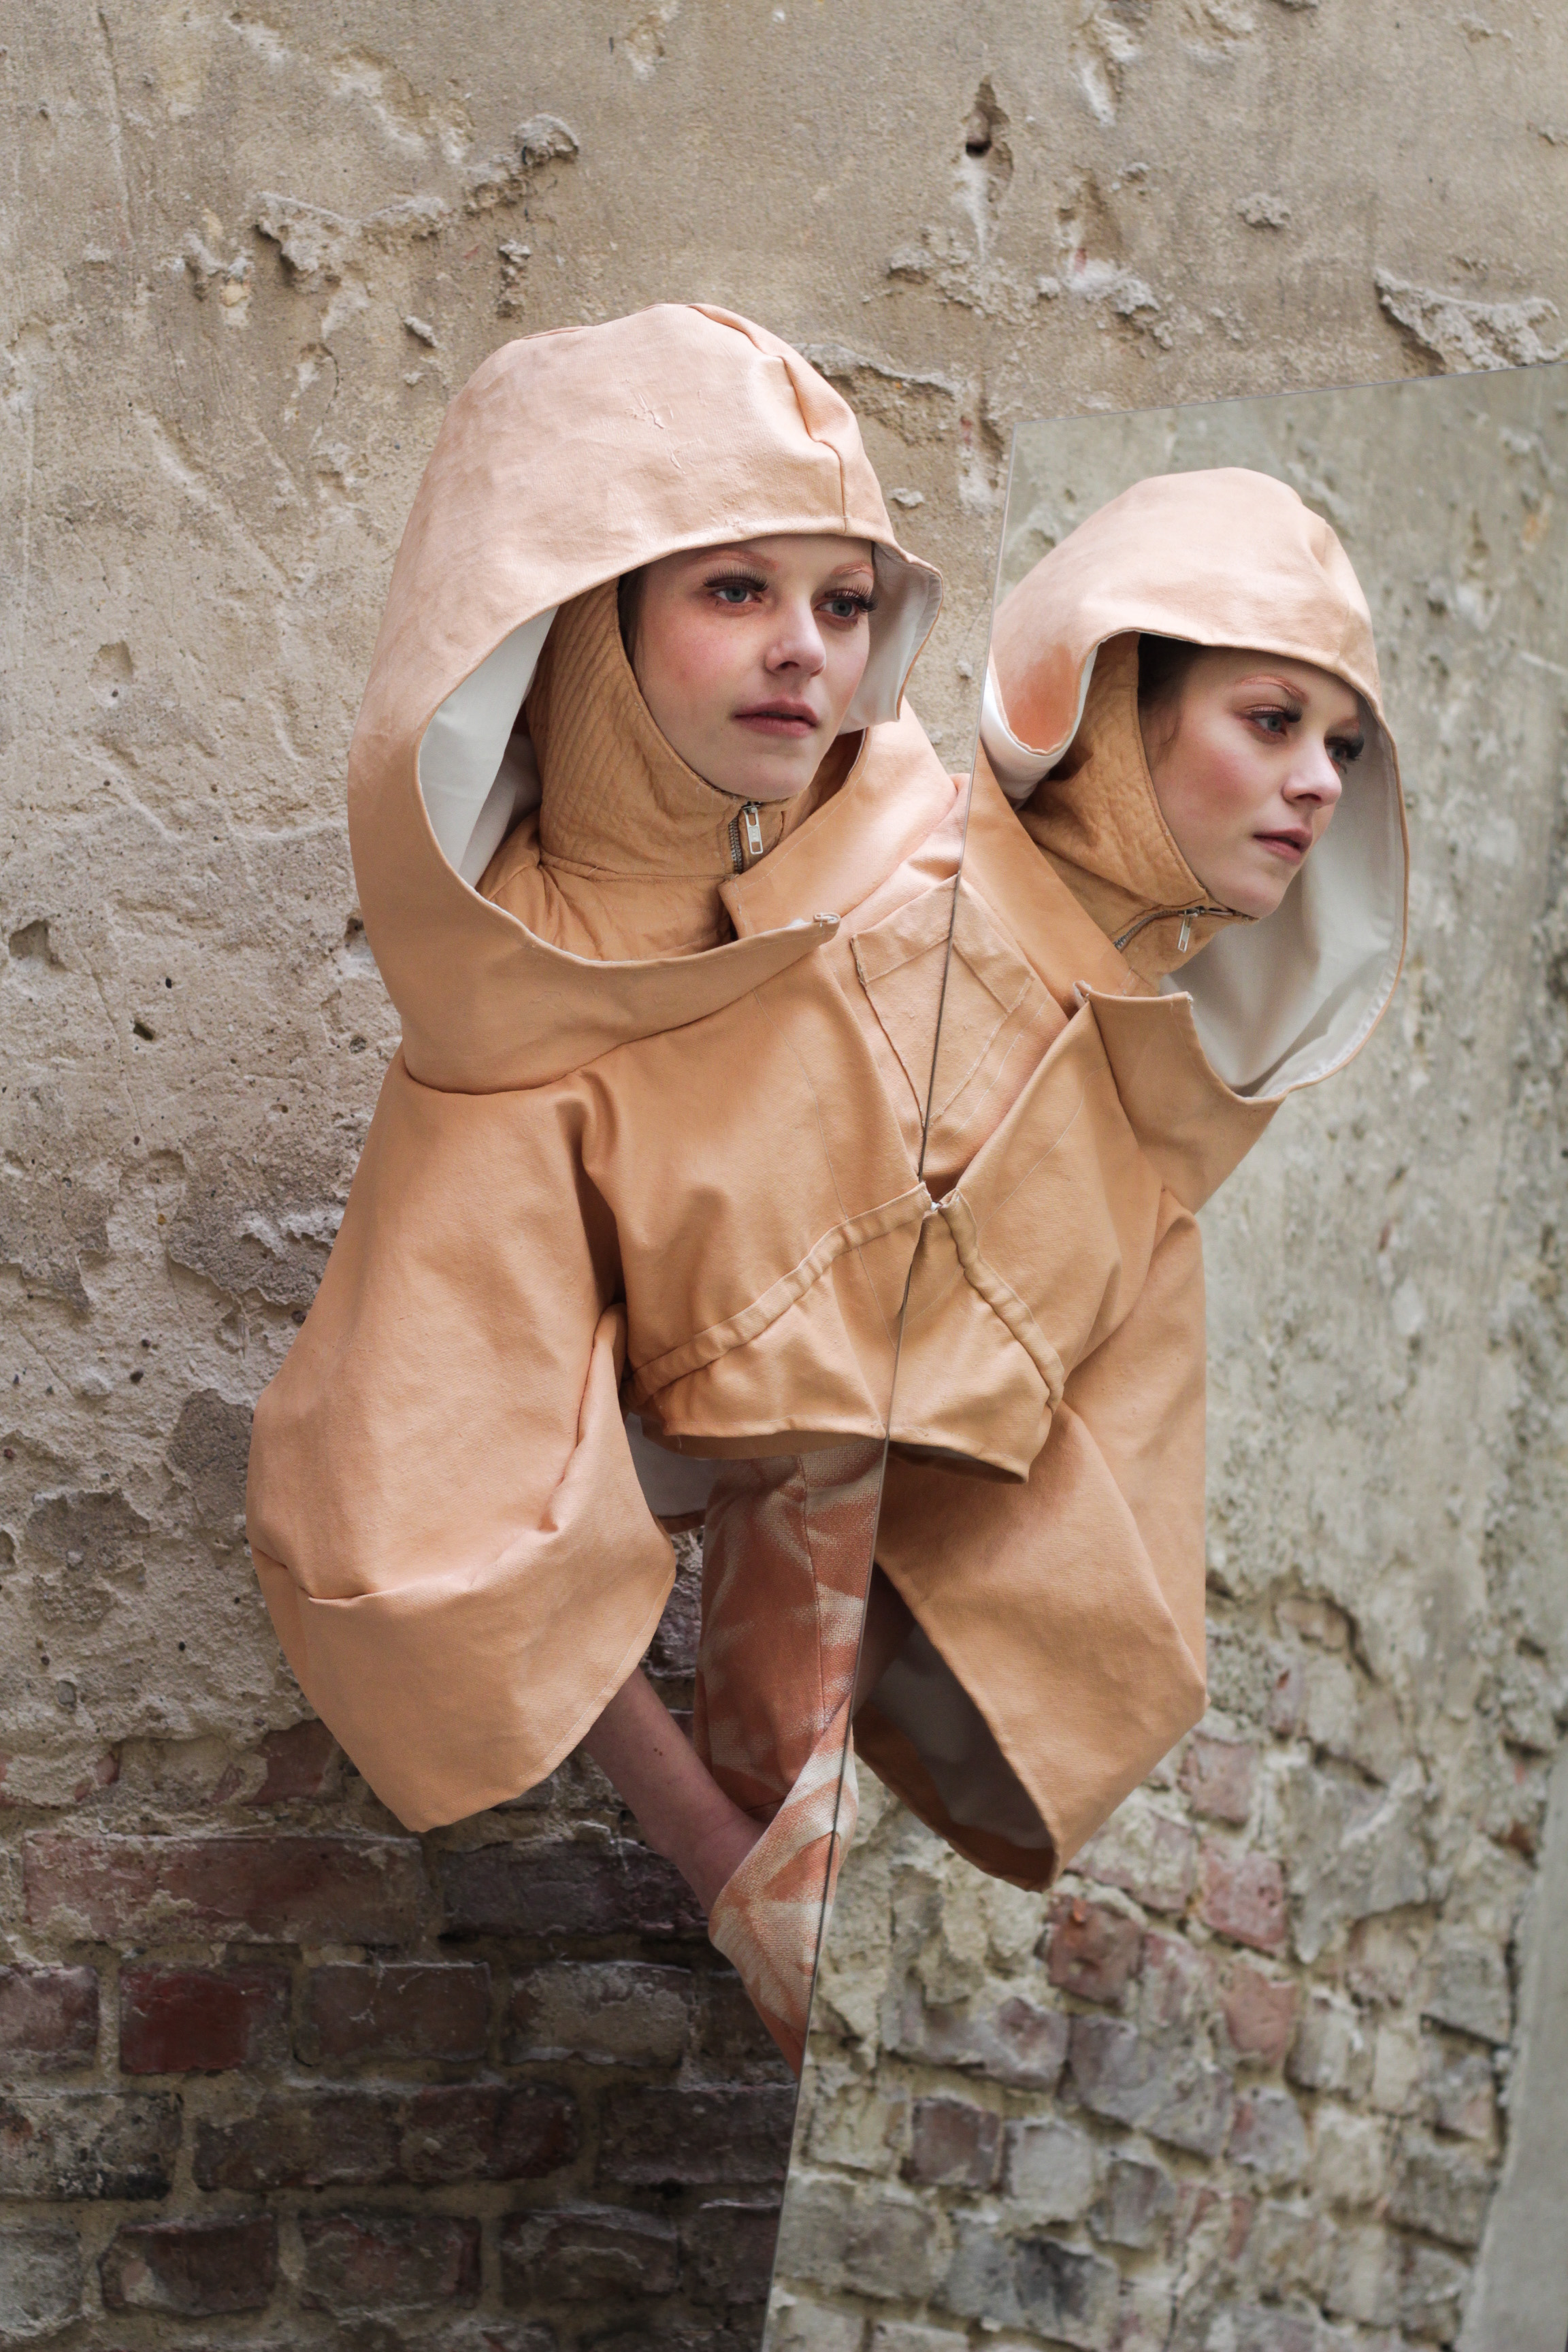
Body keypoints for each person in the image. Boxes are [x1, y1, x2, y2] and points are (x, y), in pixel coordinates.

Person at [246, 303, 958, 2069]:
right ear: (593, 616)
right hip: (831, 1757)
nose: (804, 652)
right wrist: (738, 1877)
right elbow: (423, 1528)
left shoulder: (942, 878)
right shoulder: (520, 1010)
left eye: (844, 602)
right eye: (734, 590)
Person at [847, 466, 1409, 1895]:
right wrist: (717, 1845)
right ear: (1110, 704)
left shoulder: (1154, 1104)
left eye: (1343, 745)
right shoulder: (894, 920)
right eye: (1272, 721)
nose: (1320, 782)